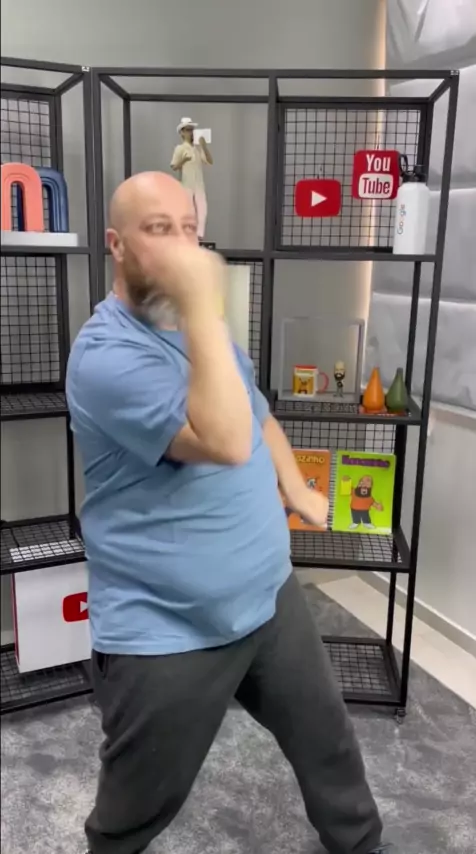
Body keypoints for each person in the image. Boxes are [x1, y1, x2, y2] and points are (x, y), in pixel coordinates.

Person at [66, 171, 393, 854]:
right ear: (116, 244)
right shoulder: (105, 357)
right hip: (167, 629)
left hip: (268, 595)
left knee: (328, 744)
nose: (183, 247)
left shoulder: (202, 333)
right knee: (133, 809)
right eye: (160, 230)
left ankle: (361, 844)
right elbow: (221, 438)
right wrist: (200, 305)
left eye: (189, 230)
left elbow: (256, 414)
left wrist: (295, 487)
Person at [171, 117, 212, 240]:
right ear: (182, 133)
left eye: (192, 130)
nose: (191, 133)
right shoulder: (180, 148)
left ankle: (199, 234)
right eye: (188, 130)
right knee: (189, 210)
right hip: (187, 184)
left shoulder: (197, 149)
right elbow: (174, 166)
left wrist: (204, 146)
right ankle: (188, 233)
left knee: (202, 209)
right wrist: (184, 160)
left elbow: (209, 161)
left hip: (199, 184)